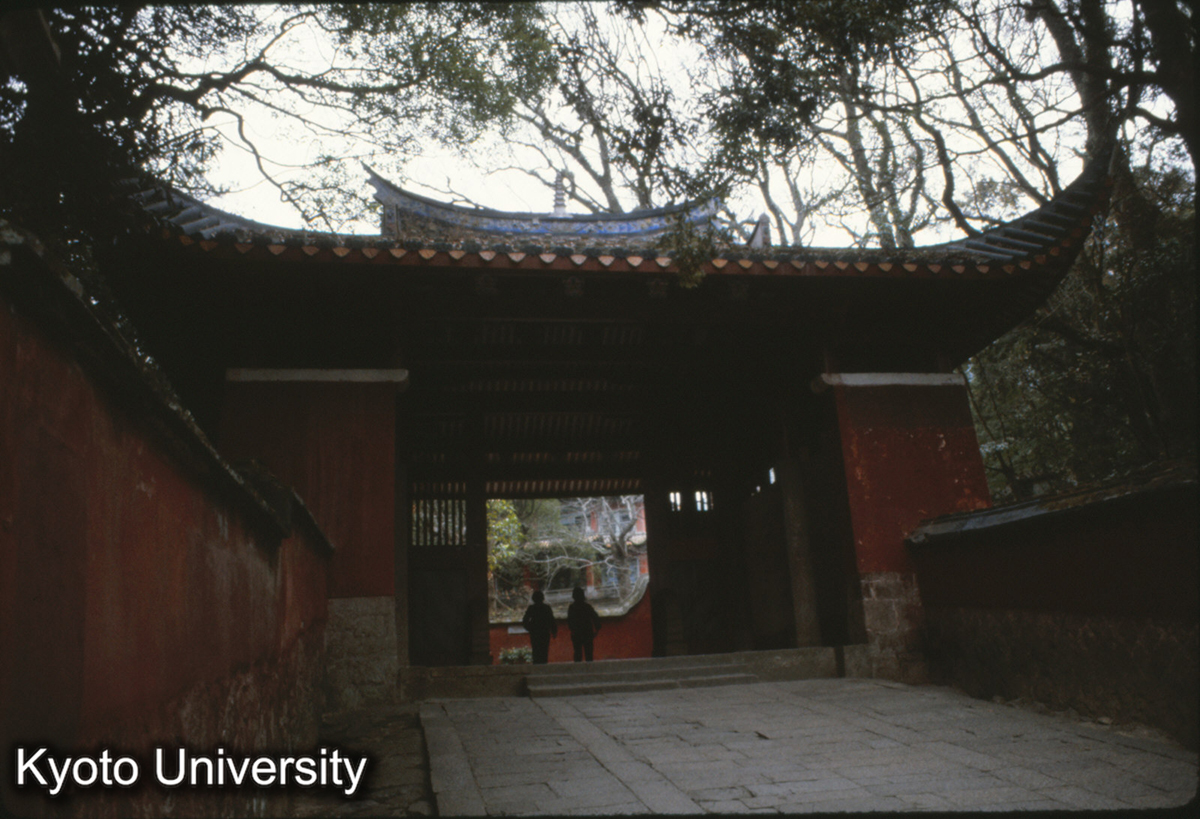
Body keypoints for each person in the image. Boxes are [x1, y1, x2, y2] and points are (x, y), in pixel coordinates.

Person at [567, 586, 601, 663]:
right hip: (587, 632)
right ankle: (589, 671)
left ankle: (577, 671)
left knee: (577, 653)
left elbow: (569, 620)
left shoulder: (572, 608)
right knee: (589, 653)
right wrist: (597, 628)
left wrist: (572, 630)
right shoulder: (587, 607)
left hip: (576, 633)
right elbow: (595, 617)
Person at [521, 590, 557, 664]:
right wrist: (554, 631)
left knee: (536, 651)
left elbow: (525, 621)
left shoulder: (532, 608)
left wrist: (530, 629)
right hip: (544, 632)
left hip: (535, 633)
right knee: (544, 651)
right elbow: (552, 620)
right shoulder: (546, 608)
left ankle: (537, 666)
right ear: (542, 598)